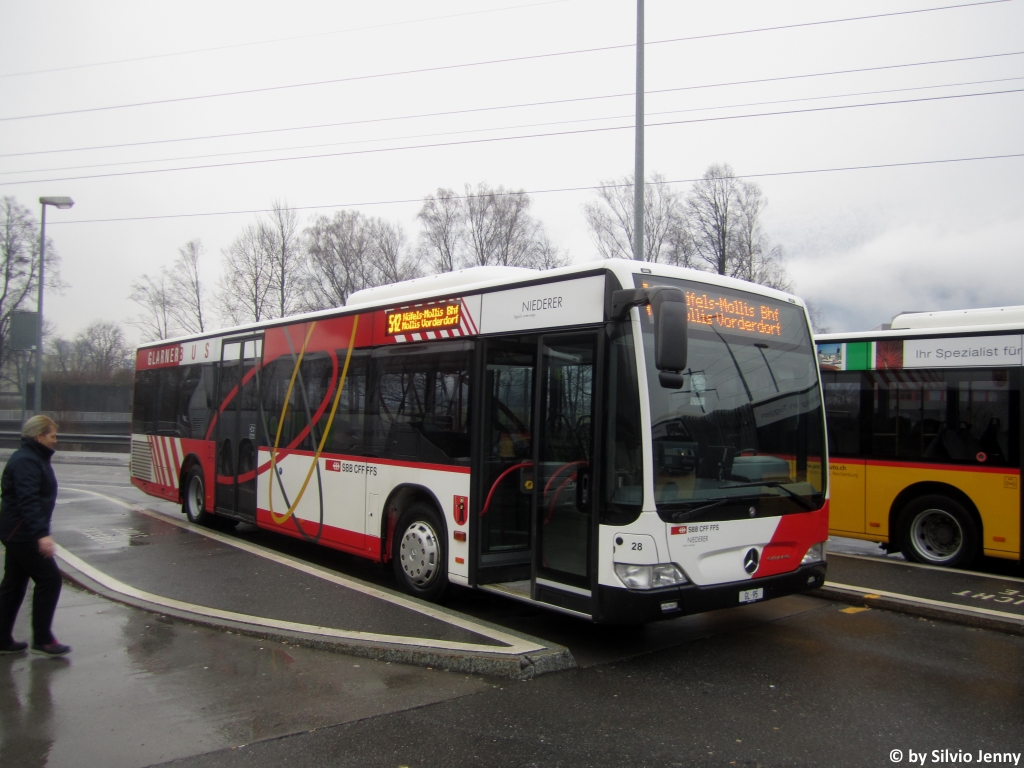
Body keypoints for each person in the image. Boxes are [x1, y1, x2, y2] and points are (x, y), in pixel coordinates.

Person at [0, 415, 69, 657]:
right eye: (52, 435)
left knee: (14, 585)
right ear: (39, 436)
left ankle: (2, 638)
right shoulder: (28, 462)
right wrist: (41, 535)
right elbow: (28, 500)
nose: (55, 440)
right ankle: (43, 639)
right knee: (50, 580)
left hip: (16, 530)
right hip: (23, 532)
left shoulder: (31, 458)